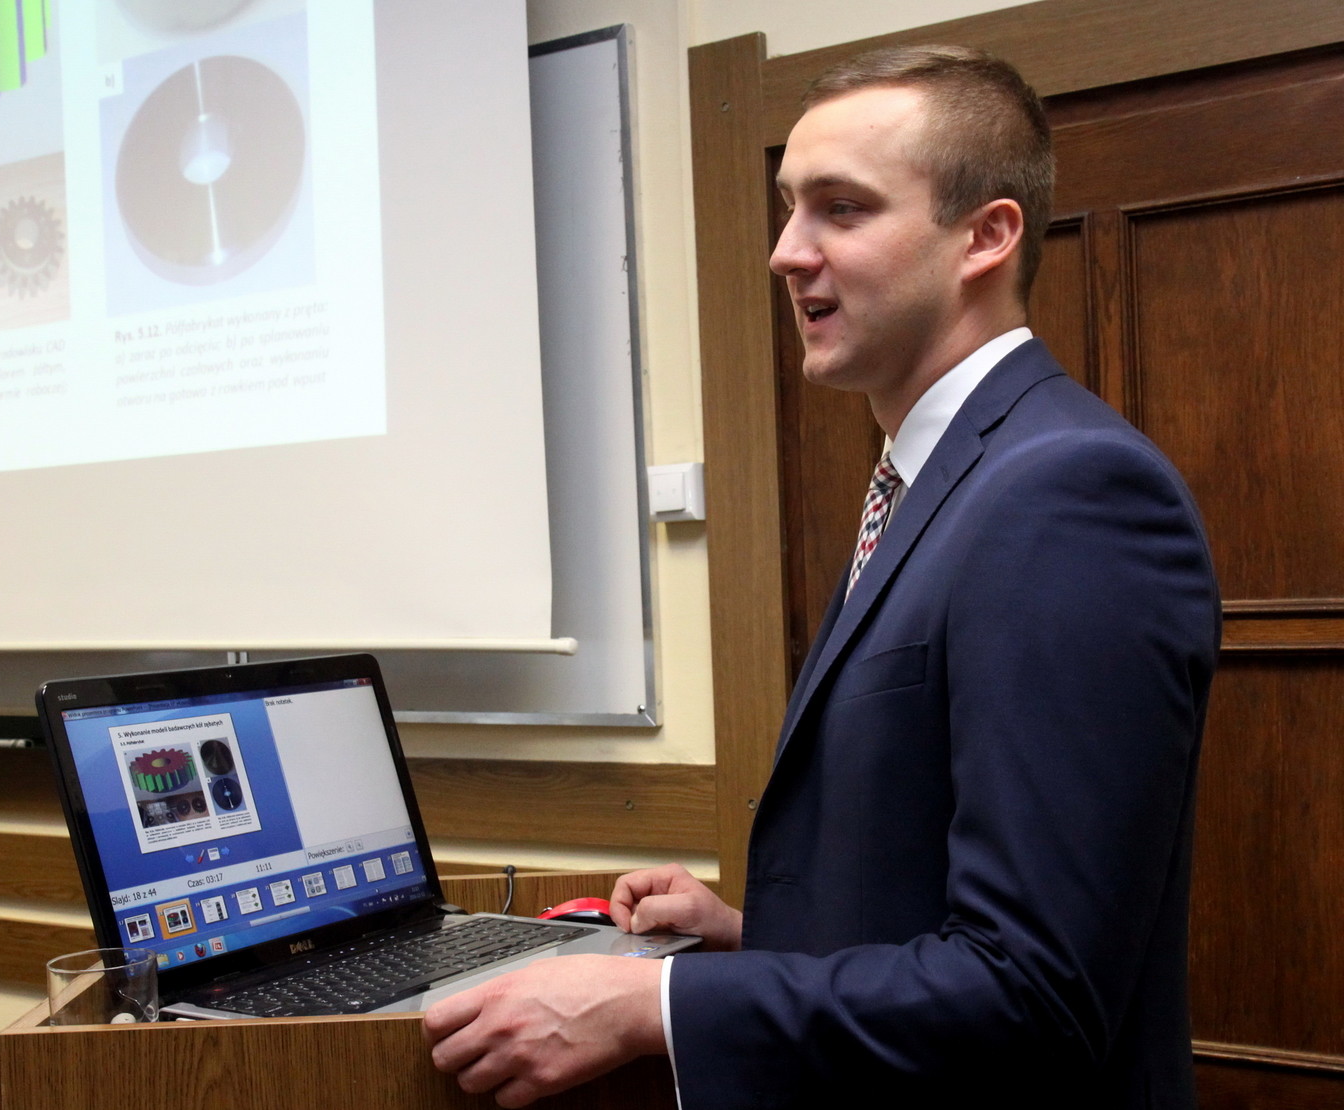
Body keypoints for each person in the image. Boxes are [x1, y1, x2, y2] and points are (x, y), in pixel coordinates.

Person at [424, 45, 1219, 1109]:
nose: (785, 253)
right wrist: (750, 939)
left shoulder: (1066, 492)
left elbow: (1033, 994)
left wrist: (653, 1006)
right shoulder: (936, 474)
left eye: (841, 209)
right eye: (789, 208)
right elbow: (929, 885)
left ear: (986, 237)